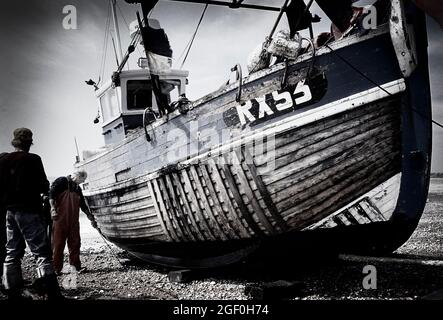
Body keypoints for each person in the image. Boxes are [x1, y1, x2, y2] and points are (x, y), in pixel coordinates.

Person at [1, 128, 63, 300]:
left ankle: (11, 289)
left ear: (15, 142)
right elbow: (43, 185)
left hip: (10, 212)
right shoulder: (33, 159)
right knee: (41, 252)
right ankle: (50, 292)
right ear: (29, 143)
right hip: (29, 210)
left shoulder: (3, 160)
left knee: (12, 250)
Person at [49, 170, 97, 275]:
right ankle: (56, 269)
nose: (83, 182)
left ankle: (75, 267)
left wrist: (90, 217)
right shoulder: (61, 181)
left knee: (75, 244)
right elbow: (51, 194)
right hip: (60, 220)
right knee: (58, 244)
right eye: (82, 179)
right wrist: (53, 209)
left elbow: (83, 204)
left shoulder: (77, 188)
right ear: (77, 176)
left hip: (74, 221)